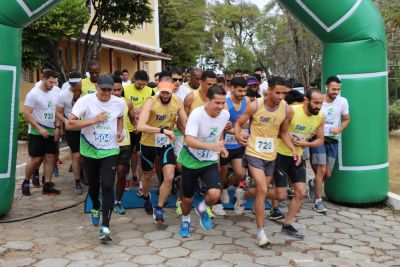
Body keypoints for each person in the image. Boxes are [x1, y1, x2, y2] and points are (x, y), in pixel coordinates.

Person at [234, 76, 300, 247]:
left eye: (284, 93)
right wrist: (237, 134)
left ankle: (243, 194)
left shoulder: (286, 109)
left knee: (262, 190)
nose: (281, 96)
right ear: (268, 90)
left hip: (271, 154)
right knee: (263, 189)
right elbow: (239, 123)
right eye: (277, 92)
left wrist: (293, 149)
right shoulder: (256, 105)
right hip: (254, 151)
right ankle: (260, 233)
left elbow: (283, 132)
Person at [67, 74, 124, 241]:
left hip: (110, 149)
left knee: (107, 185)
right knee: (93, 185)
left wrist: (119, 131)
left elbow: (119, 117)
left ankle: (105, 226)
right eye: (103, 89)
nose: (106, 93)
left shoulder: (118, 103)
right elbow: (70, 124)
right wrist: (93, 120)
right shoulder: (85, 101)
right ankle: (95, 206)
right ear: (97, 88)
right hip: (90, 149)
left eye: (109, 89)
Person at [178, 86, 230, 238]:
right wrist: (212, 146)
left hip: (209, 161)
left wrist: (222, 145)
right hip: (191, 161)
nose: (220, 107)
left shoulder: (225, 114)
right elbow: (189, 140)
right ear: (208, 100)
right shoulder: (197, 114)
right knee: (187, 199)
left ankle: (202, 208)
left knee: (214, 194)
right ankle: (186, 220)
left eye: (223, 103)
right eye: (217, 103)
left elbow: (219, 130)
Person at [274, 88, 324, 238]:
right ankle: (248, 194)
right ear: (307, 101)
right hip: (279, 153)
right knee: (280, 193)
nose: (319, 106)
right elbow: (279, 132)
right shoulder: (292, 111)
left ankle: (288, 225)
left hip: (297, 156)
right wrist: (291, 145)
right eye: (316, 103)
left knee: (301, 192)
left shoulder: (320, 117)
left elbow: (320, 139)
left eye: (321, 103)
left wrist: (306, 144)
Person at [137, 78, 187, 223]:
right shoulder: (151, 101)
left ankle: (159, 208)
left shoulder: (177, 101)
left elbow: (185, 121)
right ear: (159, 90)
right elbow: (140, 126)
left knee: (169, 177)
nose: (165, 95)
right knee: (147, 176)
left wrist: (190, 136)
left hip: (166, 144)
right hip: (148, 143)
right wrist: (162, 130)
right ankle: (146, 196)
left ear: (172, 91)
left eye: (168, 92)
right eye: (163, 92)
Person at [309, 76, 350, 213]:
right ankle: (318, 201)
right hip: (318, 139)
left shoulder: (342, 101)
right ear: (326, 87)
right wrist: (312, 128)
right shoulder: (318, 100)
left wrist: (339, 129)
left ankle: (313, 183)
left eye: (338, 89)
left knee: (328, 173)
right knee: (321, 170)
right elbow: (309, 116)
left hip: (333, 139)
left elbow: (346, 119)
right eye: (333, 89)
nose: (336, 92)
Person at [22, 69, 61, 196]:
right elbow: (26, 113)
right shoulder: (33, 94)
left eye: (55, 82)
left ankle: (47, 184)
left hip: (51, 129)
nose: (53, 85)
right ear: (44, 79)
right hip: (37, 131)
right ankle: (26, 181)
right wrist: (39, 128)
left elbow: (57, 111)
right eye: (51, 82)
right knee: (36, 158)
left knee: (50, 157)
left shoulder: (55, 91)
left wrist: (57, 127)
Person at [215, 77, 249, 216]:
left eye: (245, 91)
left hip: (237, 143)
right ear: (232, 88)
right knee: (221, 173)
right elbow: (221, 126)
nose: (242, 93)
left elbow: (247, 122)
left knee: (240, 173)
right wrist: (238, 129)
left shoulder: (246, 102)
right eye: (240, 90)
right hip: (224, 144)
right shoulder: (225, 104)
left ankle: (227, 186)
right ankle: (221, 192)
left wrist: (240, 129)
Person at [123, 70, 154, 188]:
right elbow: (120, 104)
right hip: (127, 127)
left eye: (143, 84)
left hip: (142, 127)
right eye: (139, 84)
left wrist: (144, 110)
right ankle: (126, 177)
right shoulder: (125, 89)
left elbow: (153, 106)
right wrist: (131, 109)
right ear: (134, 79)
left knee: (138, 153)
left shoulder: (150, 91)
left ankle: (136, 176)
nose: (141, 86)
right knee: (126, 154)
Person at [56, 70, 84, 195]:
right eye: (71, 83)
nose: (74, 85)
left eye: (76, 83)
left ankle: (83, 173)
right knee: (76, 155)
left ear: (81, 81)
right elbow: (58, 112)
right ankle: (77, 181)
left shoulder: (87, 92)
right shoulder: (63, 95)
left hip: (86, 127)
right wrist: (64, 122)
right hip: (72, 128)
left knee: (85, 155)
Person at [112, 75, 136, 215]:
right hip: (107, 143)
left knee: (121, 172)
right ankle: (107, 197)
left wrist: (138, 127)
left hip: (124, 142)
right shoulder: (101, 102)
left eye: (118, 90)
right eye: (113, 90)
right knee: (108, 176)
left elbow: (133, 120)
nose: (116, 93)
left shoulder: (127, 103)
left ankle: (118, 201)